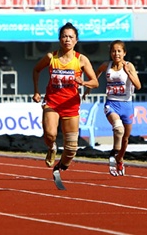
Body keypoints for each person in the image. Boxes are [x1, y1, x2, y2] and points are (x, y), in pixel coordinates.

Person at [32, 22, 99, 184]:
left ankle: (62, 165)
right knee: (50, 134)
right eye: (64, 36)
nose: (67, 40)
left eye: (71, 37)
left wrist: (83, 83)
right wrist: (36, 91)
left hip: (71, 105)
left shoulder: (81, 60)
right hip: (52, 103)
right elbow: (36, 70)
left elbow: (95, 82)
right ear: (59, 39)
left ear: (76, 41)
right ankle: (51, 148)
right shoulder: (51, 57)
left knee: (71, 148)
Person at [83, 40, 141, 176]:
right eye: (114, 51)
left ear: (124, 53)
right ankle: (113, 155)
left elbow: (138, 86)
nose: (116, 54)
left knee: (125, 139)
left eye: (119, 51)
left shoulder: (129, 66)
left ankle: (120, 159)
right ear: (110, 53)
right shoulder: (106, 65)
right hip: (111, 103)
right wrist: (89, 88)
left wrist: (128, 72)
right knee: (118, 128)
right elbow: (96, 73)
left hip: (127, 105)